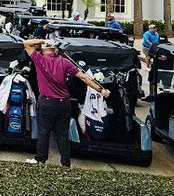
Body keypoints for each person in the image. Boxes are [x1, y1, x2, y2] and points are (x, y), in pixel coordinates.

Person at [21, 36, 110, 168]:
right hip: (63, 104)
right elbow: (84, 78)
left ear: (44, 49)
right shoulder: (65, 62)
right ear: (55, 50)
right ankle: (65, 163)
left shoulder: (40, 60)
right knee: (62, 133)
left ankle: (41, 158)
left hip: (47, 102)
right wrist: (101, 90)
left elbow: (26, 43)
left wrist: (42, 41)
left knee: (43, 131)